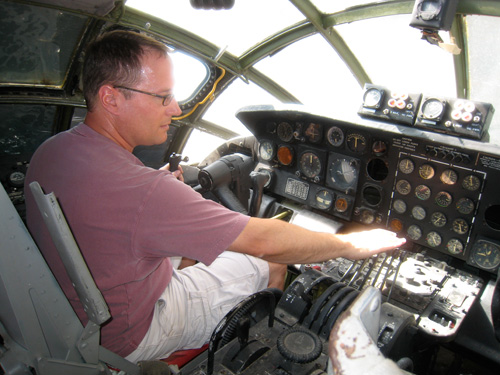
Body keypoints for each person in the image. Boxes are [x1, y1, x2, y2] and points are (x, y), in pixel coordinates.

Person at [24, 30, 406, 363]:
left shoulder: (52, 151)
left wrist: (157, 189)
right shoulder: (144, 191)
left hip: (72, 314)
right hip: (130, 333)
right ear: (110, 98)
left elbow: (118, 205)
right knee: (268, 265)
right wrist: (347, 244)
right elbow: (265, 242)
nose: (175, 109)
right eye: (162, 97)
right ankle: (252, 349)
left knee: (206, 249)